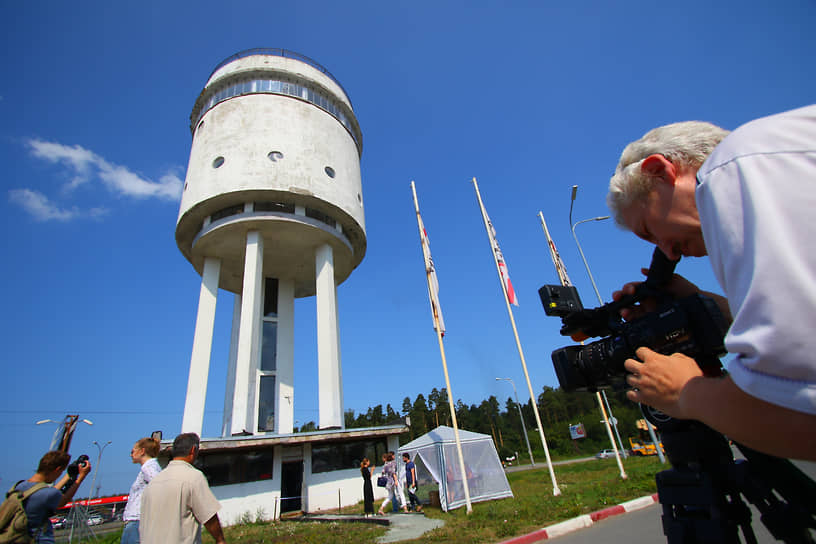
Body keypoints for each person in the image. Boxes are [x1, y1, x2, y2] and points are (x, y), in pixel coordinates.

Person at [605, 104, 816, 461]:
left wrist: (686, 393)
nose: (668, 253)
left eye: (650, 231)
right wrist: (703, 305)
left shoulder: (731, 168)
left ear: (660, 172)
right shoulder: (784, 152)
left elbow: (801, 414)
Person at [140, 433, 226, 544]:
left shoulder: (152, 484)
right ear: (193, 450)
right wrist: (220, 540)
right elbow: (208, 516)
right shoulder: (193, 477)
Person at [13, 450, 91, 543]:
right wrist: (81, 477)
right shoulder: (46, 494)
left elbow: (50, 492)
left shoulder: (19, 487)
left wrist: (68, 475)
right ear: (57, 470)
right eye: (60, 472)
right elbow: (63, 500)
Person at [120, 437, 162, 544]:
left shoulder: (147, 468)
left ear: (142, 451)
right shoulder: (153, 466)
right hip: (139, 520)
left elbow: (159, 485)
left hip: (136, 521)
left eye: (132, 451)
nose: (131, 454)